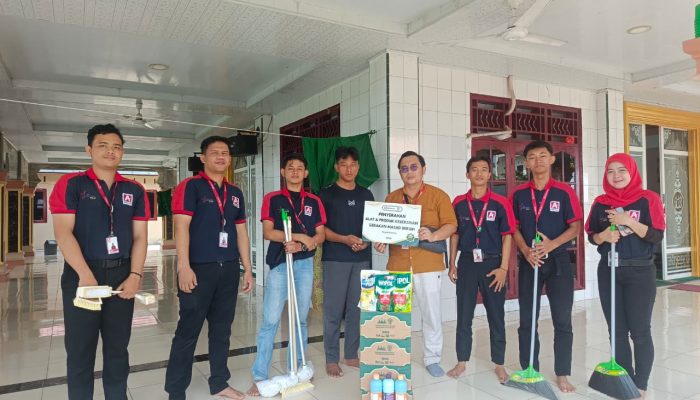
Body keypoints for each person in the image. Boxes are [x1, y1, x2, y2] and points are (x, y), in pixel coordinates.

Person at [49, 124, 149, 400]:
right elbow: (63, 233)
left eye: (117, 147)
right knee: (80, 351)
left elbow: (140, 236)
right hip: (82, 275)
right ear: (89, 150)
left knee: (118, 349)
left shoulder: (134, 190)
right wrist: (85, 275)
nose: (110, 151)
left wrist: (135, 275)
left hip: (121, 274)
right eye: (103, 145)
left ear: (122, 152)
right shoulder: (72, 184)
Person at [164, 136, 254, 400]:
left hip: (228, 269)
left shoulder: (235, 193)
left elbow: (241, 232)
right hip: (198, 270)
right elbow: (181, 227)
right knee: (188, 331)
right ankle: (176, 390)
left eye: (225, 153)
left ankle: (219, 382)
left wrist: (247, 268)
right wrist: (184, 266)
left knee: (222, 330)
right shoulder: (190, 187)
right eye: (214, 152)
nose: (221, 157)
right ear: (202, 158)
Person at [585, 153, 665, 398]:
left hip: (640, 272)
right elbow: (592, 236)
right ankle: (626, 380)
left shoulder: (648, 199)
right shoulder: (601, 203)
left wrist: (628, 221)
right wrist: (603, 237)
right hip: (609, 271)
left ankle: (641, 384)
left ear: (632, 172)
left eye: (622, 170)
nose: (616, 175)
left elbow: (656, 235)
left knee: (640, 331)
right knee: (616, 331)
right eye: (611, 171)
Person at [248, 154, 326, 396]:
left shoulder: (314, 201)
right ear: (283, 172)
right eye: (290, 168)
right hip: (280, 265)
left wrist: (302, 245)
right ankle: (260, 375)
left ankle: (299, 368)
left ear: (306, 173)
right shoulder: (273, 199)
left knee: (300, 319)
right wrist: (298, 236)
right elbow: (268, 232)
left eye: (300, 168)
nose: (295, 171)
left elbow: (320, 235)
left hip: (304, 265)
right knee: (270, 320)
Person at [374, 151, 457, 378]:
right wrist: (380, 241)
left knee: (431, 315)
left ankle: (432, 358)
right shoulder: (391, 198)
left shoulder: (438, 196)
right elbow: (385, 230)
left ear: (423, 169)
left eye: (413, 167)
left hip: (428, 265)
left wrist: (434, 235)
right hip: (398, 265)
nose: (409, 172)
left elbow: (451, 225)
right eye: (404, 168)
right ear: (400, 172)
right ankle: (393, 358)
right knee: (394, 316)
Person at [509, 140, 582, 393]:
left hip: (558, 261)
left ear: (551, 159)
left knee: (562, 319)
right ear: (526, 163)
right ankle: (530, 369)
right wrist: (525, 250)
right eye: (532, 157)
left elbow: (575, 226)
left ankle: (562, 373)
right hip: (530, 261)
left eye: (542, 155)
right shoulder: (519, 194)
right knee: (527, 319)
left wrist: (552, 245)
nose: (538, 160)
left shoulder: (564, 192)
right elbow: (513, 227)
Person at [447, 156, 515, 383]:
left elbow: (507, 237)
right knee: (464, 313)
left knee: (496, 315)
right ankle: (461, 361)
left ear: (489, 175)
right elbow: (455, 234)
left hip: (493, 264)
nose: (479, 173)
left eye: (484, 170)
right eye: (474, 170)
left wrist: (503, 268)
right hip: (467, 262)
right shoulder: (458, 202)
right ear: (467, 174)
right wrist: (452, 263)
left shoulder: (500, 202)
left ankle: (499, 363)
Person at [318, 146, 374, 378]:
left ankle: (351, 354)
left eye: (353, 165)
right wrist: (344, 239)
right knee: (333, 310)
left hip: (362, 259)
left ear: (358, 167)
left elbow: (372, 227)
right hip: (335, 258)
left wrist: (366, 243)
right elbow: (320, 230)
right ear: (336, 167)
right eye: (344, 164)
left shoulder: (366, 194)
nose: (349, 169)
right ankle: (332, 358)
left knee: (357, 309)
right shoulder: (326, 194)